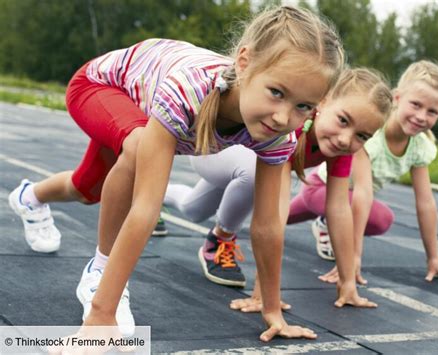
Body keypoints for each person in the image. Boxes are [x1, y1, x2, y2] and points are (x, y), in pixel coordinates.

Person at [9, 6, 345, 342]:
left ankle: (30, 197)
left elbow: (268, 224)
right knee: (138, 148)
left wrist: (271, 308)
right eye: (277, 92)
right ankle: (98, 273)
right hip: (99, 87)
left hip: (138, 114)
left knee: (86, 190)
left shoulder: (279, 135)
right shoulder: (189, 91)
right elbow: (146, 208)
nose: (283, 116)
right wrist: (102, 313)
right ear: (244, 63)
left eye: (303, 106)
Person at [164, 68, 393, 312]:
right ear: (324, 102)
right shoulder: (291, 128)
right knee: (255, 177)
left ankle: (162, 196)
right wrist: (262, 295)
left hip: (238, 167)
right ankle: (220, 238)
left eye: (362, 136)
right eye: (343, 121)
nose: (346, 139)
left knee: (193, 209)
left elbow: (338, 209)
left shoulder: (341, 149)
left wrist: (348, 283)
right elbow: (275, 213)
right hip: (212, 151)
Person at [289, 60, 438, 285]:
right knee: (275, 216)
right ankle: (324, 222)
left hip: (341, 199)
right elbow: (362, 193)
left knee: (382, 219)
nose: (421, 116)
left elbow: (426, 203)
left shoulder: (420, 147)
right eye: (416, 104)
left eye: (432, 112)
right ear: (397, 98)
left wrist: (434, 257)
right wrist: (352, 257)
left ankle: (320, 220)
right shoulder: (369, 133)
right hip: (321, 188)